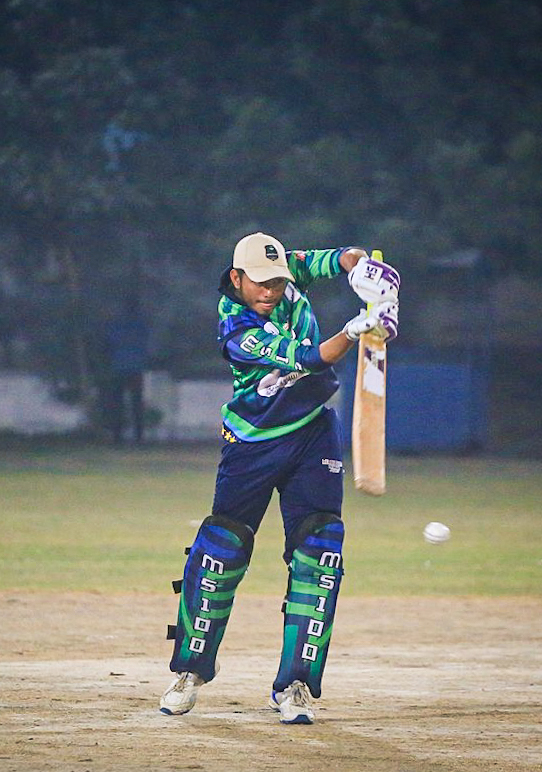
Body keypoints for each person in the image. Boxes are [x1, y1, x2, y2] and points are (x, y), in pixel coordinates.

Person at [159, 232, 400, 724]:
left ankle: (295, 684)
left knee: (321, 551)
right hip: (252, 442)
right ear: (236, 278)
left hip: (312, 433)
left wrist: (361, 270)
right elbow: (308, 358)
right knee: (220, 551)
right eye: (260, 283)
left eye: (276, 282)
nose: (270, 291)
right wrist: (357, 328)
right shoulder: (236, 327)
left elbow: (336, 258)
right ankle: (191, 669)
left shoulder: (286, 272)